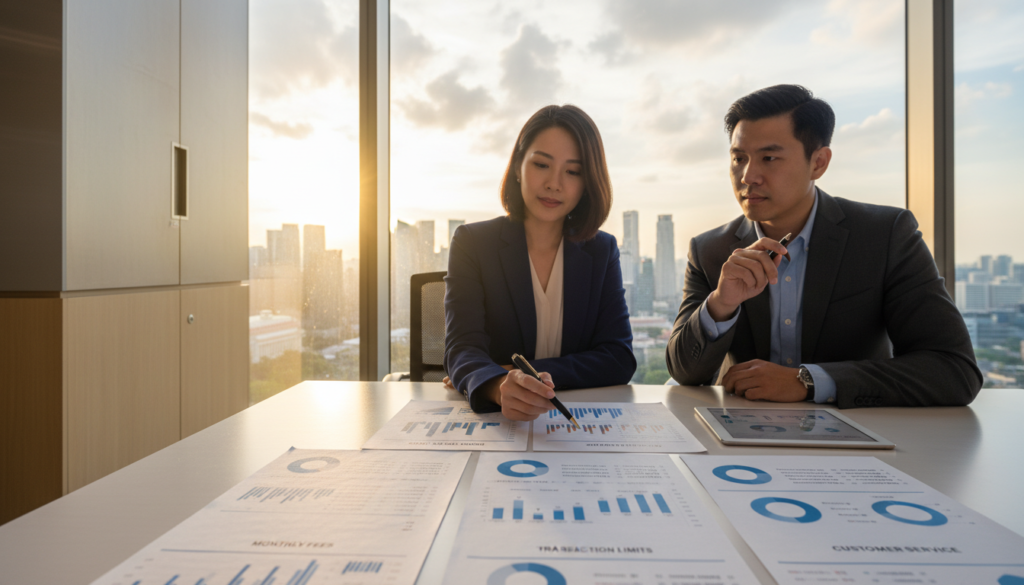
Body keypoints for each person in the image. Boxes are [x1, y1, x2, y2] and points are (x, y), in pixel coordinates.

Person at [666, 84, 981, 408]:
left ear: (818, 162)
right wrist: (721, 304)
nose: (748, 176)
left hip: (858, 430)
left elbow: (954, 371)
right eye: (738, 158)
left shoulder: (884, 236)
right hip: (739, 434)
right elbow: (685, 373)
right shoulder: (711, 250)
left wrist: (808, 381)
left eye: (769, 158)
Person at [444, 104, 636, 419]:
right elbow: (462, 348)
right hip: (498, 423)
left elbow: (618, 358)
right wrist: (497, 386)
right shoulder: (473, 243)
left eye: (573, 171)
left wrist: (516, 374)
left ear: (588, 182)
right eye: (541, 164)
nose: (554, 183)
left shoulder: (602, 250)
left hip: (573, 422)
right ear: (518, 166)